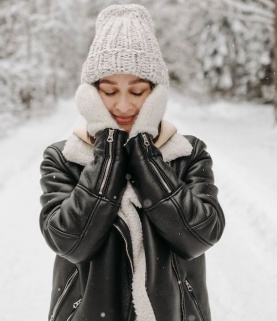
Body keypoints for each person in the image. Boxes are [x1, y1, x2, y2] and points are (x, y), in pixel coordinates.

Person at [39, 4, 225, 321]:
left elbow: (199, 235)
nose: (123, 105)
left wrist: (144, 155)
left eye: (137, 91)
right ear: (91, 95)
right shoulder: (64, 158)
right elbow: (69, 241)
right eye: (109, 91)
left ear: (156, 94)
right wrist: (110, 154)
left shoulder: (187, 153)